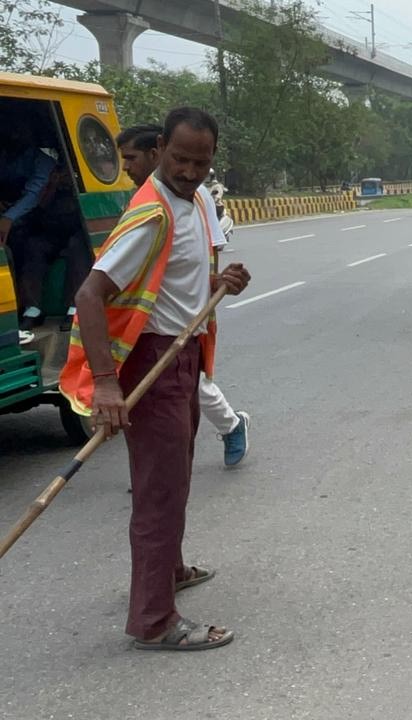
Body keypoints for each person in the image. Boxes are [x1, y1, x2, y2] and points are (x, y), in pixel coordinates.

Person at [61, 107, 251, 651]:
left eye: (202, 161)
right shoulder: (153, 214)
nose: (190, 170)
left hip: (180, 357)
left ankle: (171, 570)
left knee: (176, 476)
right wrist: (104, 384)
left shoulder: (191, 202)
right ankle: (154, 620)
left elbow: (178, 279)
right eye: (180, 158)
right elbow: (88, 296)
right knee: (159, 493)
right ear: (161, 147)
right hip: (151, 364)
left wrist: (221, 281)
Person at [117, 124, 251, 467]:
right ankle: (156, 467)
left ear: (155, 152)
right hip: (146, 322)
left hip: (180, 320)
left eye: (131, 158)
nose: (126, 167)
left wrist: (211, 291)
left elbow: (207, 247)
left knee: (188, 385)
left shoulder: (193, 196)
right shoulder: (146, 197)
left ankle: (231, 424)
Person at [0, 121, 91, 332]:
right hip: (49, 227)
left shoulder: (50, 165)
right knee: (33, 246)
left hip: (76, 228)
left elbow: (33, 194)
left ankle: (74, 308)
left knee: (78, 249)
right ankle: (32, 308)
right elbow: (37, 197)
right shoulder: (25, 165)